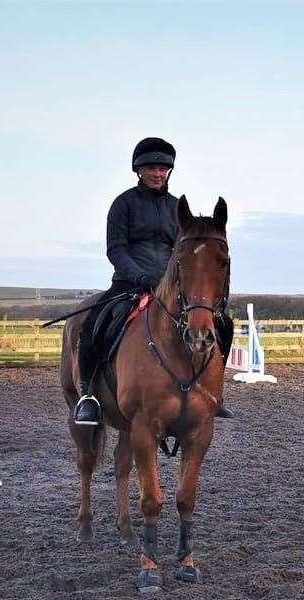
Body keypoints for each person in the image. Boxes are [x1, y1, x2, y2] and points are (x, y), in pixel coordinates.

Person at [73, 137, 234, 425]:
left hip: (171, 288)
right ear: (139, 170)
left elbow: (185, 253)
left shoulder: (177, 209)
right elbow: (116, 249)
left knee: (223, 323)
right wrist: (140, 275)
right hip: (129, 283)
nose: (158, 173)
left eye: (163, 168)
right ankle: (89, 396)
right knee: (94, 325)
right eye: (151, 168)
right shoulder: (123, 205)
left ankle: (213, 393)